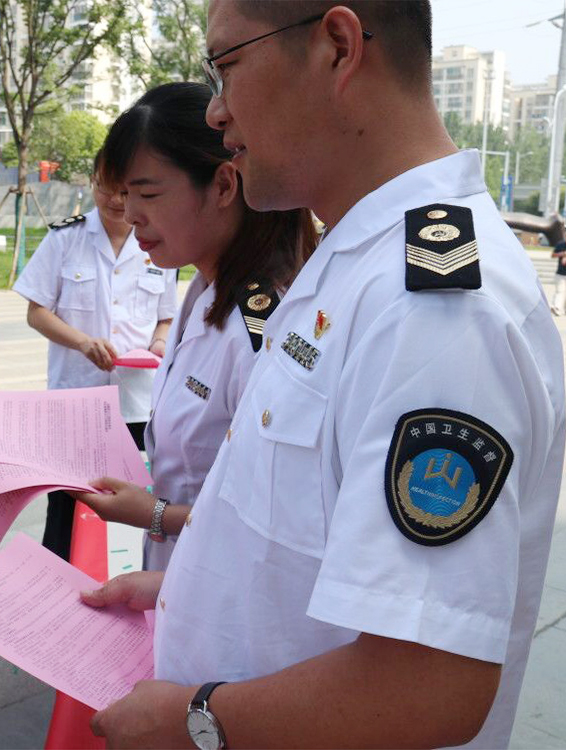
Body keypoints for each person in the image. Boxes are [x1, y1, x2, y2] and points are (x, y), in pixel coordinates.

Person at [82, 2, 565, 748]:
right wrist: (184, 592)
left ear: (336, 47)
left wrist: (191, 722)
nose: (215, 110)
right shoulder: (355, 258)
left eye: (228, 65)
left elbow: (428, 686)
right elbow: (298, 539)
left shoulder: (433, 308)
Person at [72, 82, 316, 571]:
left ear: (224, 186)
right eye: (123, 195)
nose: (131, 215)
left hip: (226, 600)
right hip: (176, 589)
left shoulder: (265, 329)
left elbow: (284, 512)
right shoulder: (201, 291)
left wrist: (158, 515)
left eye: (148, 193)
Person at [13, 151, 179, 560]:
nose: (116, 200)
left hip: (138, 404)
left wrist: (158, 344)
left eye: (126, 190)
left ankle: (122, 584)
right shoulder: (64, 239)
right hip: (76, 401)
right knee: (67, 507)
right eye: (107, 187)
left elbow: (166, 319)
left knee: (132, 504)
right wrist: (83, 343)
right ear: (92, 182)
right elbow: (37, 312)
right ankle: (58, 598)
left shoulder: (159, 242)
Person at [551, 240, 565, 315]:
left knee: (562, 293)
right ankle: (557, 307)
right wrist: (562, 254)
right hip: (561, 274)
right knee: (560, 291)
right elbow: (553, 255)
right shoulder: (561, 244)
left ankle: (556, 306)